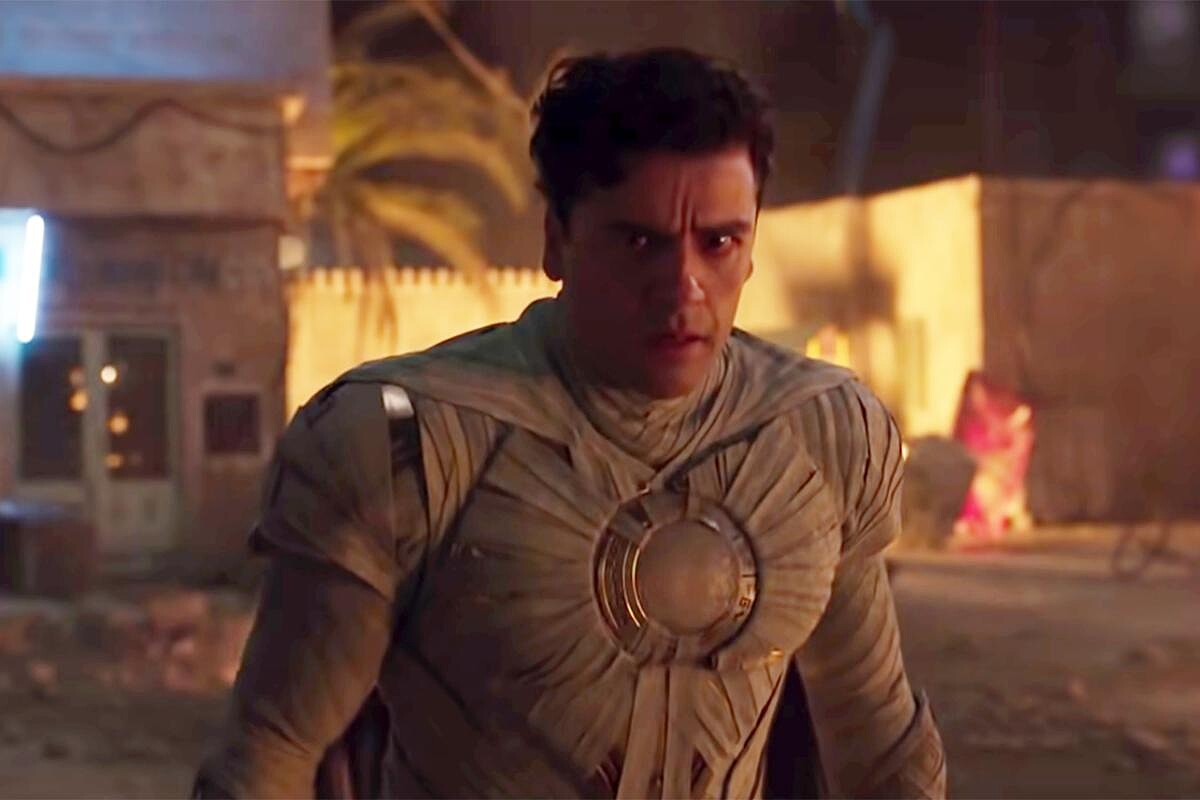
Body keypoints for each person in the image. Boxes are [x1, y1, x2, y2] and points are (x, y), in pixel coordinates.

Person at [194, 48, 946, 799]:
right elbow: (270, 755)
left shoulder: (821, 436)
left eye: (719, 242)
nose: (683, 289)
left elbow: (880, 747)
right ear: (557, 238)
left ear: (750, 246)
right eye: (640, 242)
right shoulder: (406, 446)